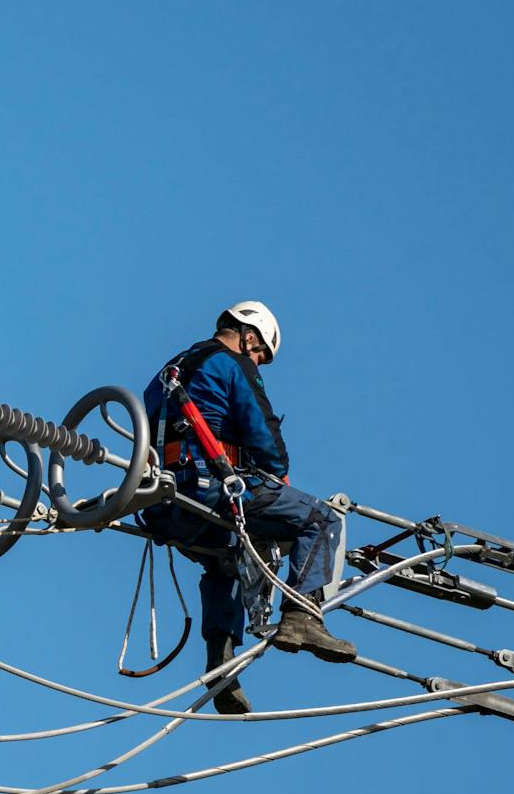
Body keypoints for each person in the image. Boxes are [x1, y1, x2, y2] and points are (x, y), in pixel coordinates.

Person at [139, 301, 354, 714]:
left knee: (227, 560)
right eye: (259, 354)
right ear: (248, 335)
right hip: (215, 489)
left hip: (166, 503)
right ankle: (302, 618)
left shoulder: (171, 370)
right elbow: (263, 433)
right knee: (321, 519)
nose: (258, 361)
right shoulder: (231, 363)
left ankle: (221, 667)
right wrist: (277, 477)